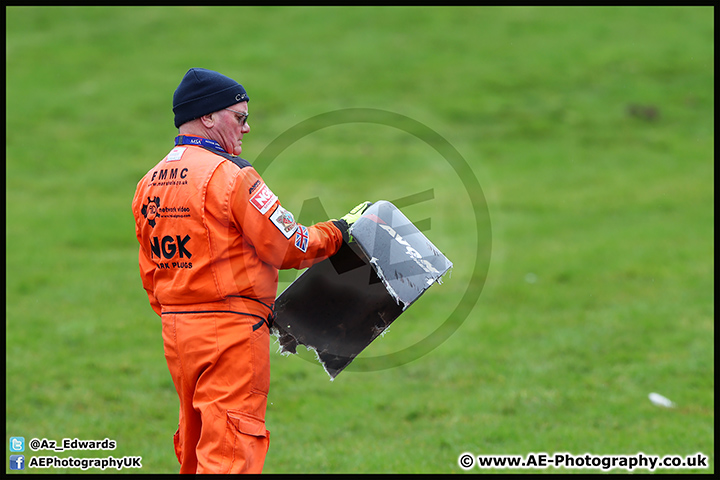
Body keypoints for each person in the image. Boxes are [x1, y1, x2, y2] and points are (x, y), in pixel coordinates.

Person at [132, 67, 370, 474]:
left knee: (194, 446)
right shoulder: (230, 176)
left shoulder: (149, 182)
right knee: (230, 449)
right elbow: (289, 244)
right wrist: (339, 231)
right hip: (231, 330)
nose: (247, 128)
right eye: (239, 117)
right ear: (209, 117)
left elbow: (151, 272)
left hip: (177, 331)